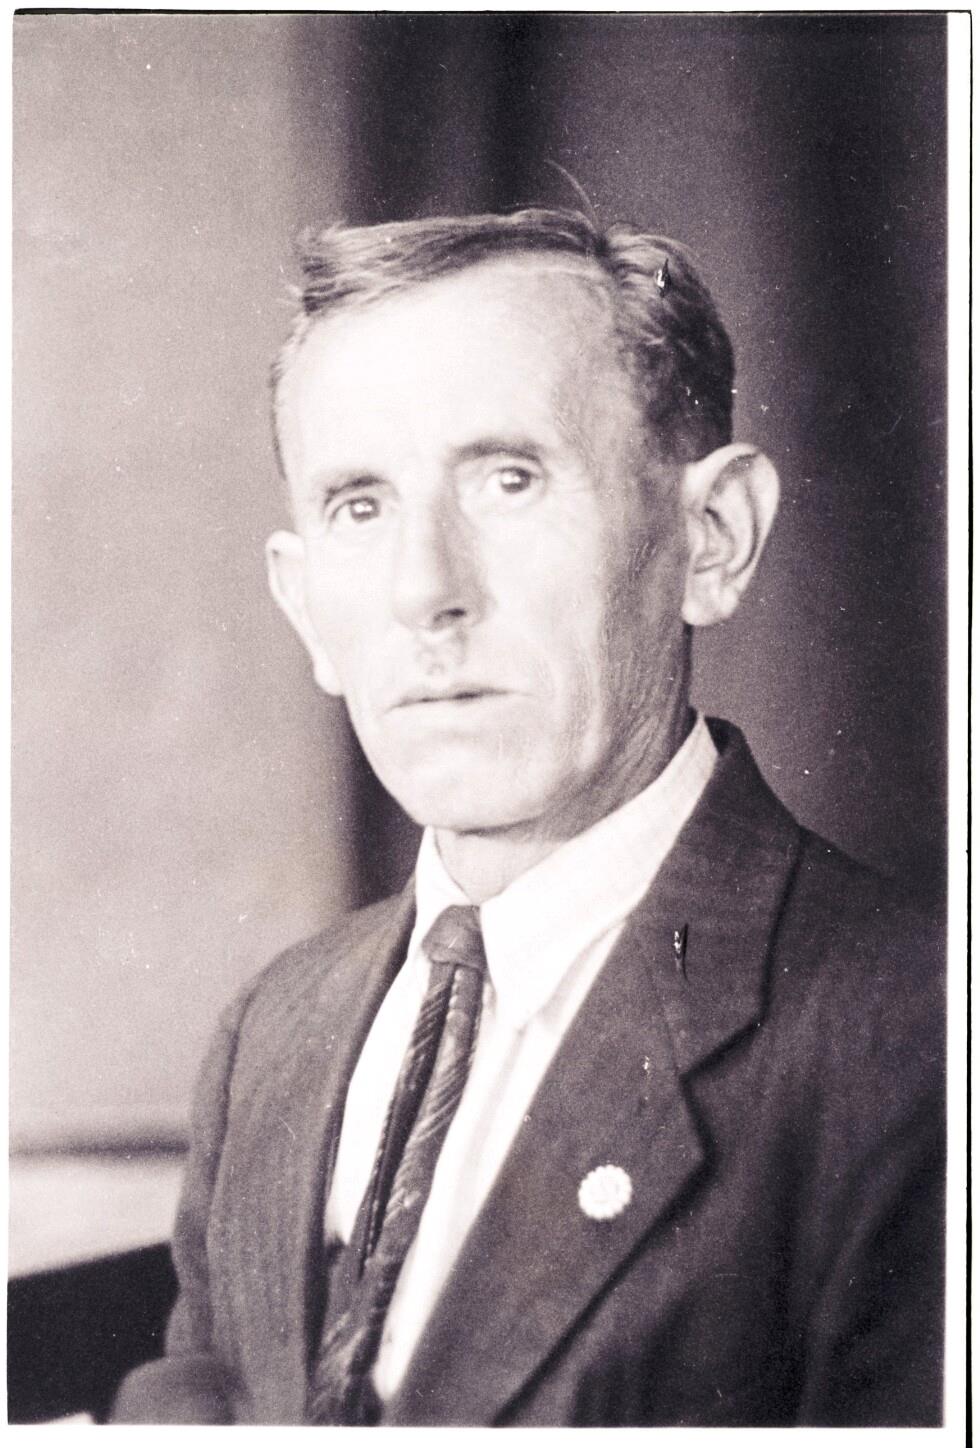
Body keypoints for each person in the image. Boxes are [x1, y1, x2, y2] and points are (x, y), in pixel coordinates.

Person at [112, 208, 944, 1427]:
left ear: (711, 538)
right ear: (303, 607)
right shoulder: (271, 1033)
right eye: (358, 506)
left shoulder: (919, 1044)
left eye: (509, 480)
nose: (424, 590)